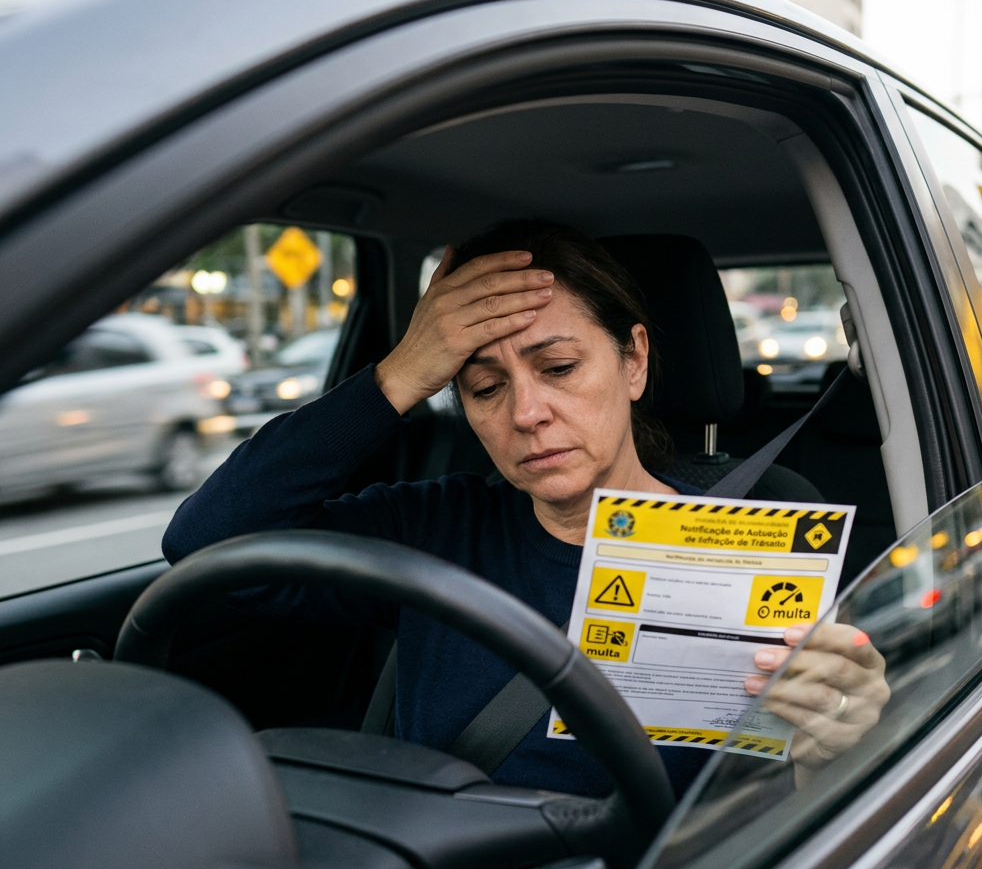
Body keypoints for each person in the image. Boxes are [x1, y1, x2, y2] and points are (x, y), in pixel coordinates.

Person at [163, 220, 887, 799]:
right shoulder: (434, 526)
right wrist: (401, 373)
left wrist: (831, 743)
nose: (528, 412)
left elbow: (793, 803)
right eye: (483, 387)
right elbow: (207, 541)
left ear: (634, 361)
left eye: (560, 368)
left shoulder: (766, 530)